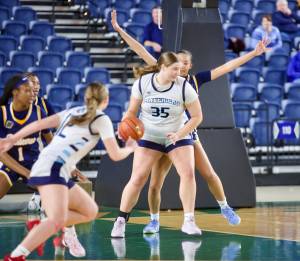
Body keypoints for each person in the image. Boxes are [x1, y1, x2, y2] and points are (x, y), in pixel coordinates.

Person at [111, 10, 271, 234]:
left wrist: (253, 54)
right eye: (179, 63)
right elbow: (139, 49)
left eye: (185, 63)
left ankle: (224, 207)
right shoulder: (160, 73)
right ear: (170, 64)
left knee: (207, 173)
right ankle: (154, 219)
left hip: (185, 131)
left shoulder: (193, 81)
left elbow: (226, 68)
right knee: (154, 182)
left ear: (189, 65)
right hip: (158, 132)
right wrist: (120, 31)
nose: (182, 66)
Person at [1, 82, 137, 261]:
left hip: (54, 167)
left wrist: (14, 138)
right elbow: (115, 155)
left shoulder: (73, 111)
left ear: (86, 98)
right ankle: (17, 255)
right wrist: (130, 147)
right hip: (52, 168)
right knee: (56, 219)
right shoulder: (101, 119)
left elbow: (39, 125)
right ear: (107, 100)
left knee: (89, 211)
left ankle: (43, 229)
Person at [111, 51, 203, 238]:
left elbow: (197, 117)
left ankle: (189, 221)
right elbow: (131, 112)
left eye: (180, 68)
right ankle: (120, 221)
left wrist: (180, 134)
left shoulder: (184, 86)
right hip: (149, 136)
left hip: (176, 134)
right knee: (137, 178)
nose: (179, 72)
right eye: (175, 69)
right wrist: (126, 126)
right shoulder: (143, 83)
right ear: (162, 67)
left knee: (188, 173)